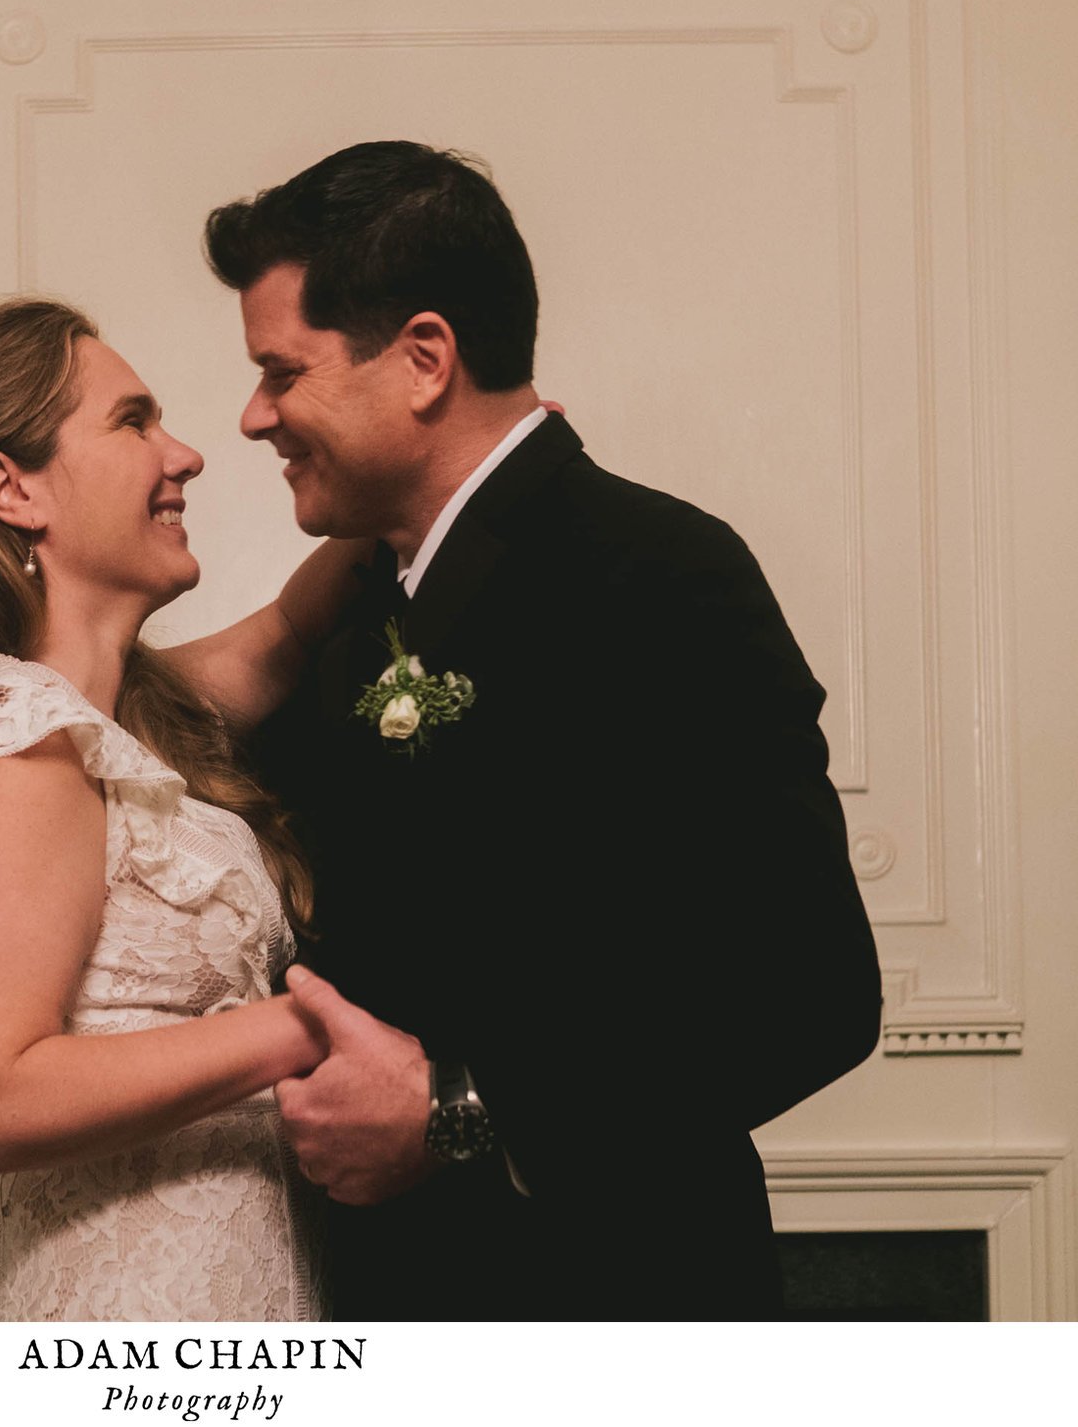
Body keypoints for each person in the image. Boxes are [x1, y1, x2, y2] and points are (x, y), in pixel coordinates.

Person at [205, 141, 885, 1320]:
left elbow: (811, 988)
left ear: (423, 359)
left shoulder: (655, 569)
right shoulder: (356, 606)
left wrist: (457, 1110)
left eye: (283, 370)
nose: (255, 414)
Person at [0, 297, 370, 1320]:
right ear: (13, 486)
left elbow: (294, 632)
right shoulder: (15, 744)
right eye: (133, 420)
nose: (184, 454)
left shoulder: (135, 715)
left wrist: (478, 467)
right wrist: (308, 1027)